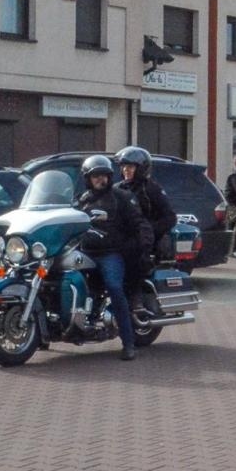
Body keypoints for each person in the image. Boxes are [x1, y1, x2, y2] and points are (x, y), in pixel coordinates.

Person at [75, 155, 150, 361]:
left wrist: (138, 248)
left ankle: (128, 343)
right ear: (87, 179)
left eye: (104, 176)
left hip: (110, 253)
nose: (101, 180)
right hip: (85, 253)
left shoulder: (121, 197)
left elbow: (139, 224)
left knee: (114, 287)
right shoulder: (82, 200)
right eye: (95, 176)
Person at [114, 145, 177, 319]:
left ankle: (136, 300)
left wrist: (148, 230)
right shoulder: (118, 188)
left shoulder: (151, 189)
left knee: (133, 256)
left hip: (146, 241)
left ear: (141, 169)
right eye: (124, 166)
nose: (126, 170)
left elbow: (170, 218)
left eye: (130, 167)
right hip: (122, 237)